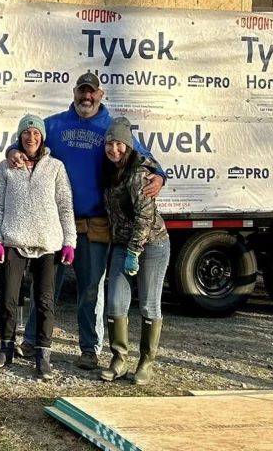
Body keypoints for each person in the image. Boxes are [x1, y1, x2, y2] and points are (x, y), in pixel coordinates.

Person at [12, 72, 165, 369]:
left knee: (90, 290)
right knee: (45, 287)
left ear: (101, 94)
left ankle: (89, 348)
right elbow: (24, 143)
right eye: (82, 92)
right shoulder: (55, 124)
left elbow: (145, 159)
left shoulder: (113, 129)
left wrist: (160, 176)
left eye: (91, 92)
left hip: (95, 224)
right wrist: (13, 151)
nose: (86, 97)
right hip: (53, 223)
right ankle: (32, 340)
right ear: (74, 93)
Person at [0, 114, 75, 380]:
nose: (31, 137)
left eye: (36, 133)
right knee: (8, 298)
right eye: (26, 133)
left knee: (45, 301)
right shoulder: (6, 167)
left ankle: (43, 355)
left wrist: (69, 242)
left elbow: (65, 205)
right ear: (19, 136)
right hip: (13, 240)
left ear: (43, 137)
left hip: (48, 243)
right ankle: (6, 347)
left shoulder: (56, 167)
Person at [100, 117, 170, 384]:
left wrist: (134, 251)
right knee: (116, 302)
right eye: (109, 144)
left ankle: (146, 363)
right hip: (122, 244)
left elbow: (145, 216)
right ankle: (119, 359)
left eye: (119, 144)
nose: (114, 149)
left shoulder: (139, 173)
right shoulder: (110, 170)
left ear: (128, 146)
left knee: (149, 304)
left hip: (151, 245)